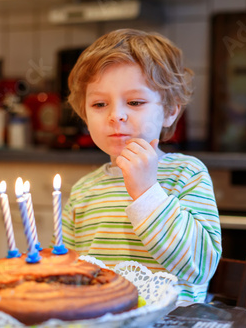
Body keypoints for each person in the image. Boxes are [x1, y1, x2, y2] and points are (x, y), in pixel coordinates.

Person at [62, 28, 221, 304]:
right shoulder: (83, 191)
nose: (116, 116)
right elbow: (65, 273)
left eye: (135, 102)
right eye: (99, 104)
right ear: (84, 115)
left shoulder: (187, 175)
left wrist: (147, 192)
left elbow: (201, 267)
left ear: (171, 110)